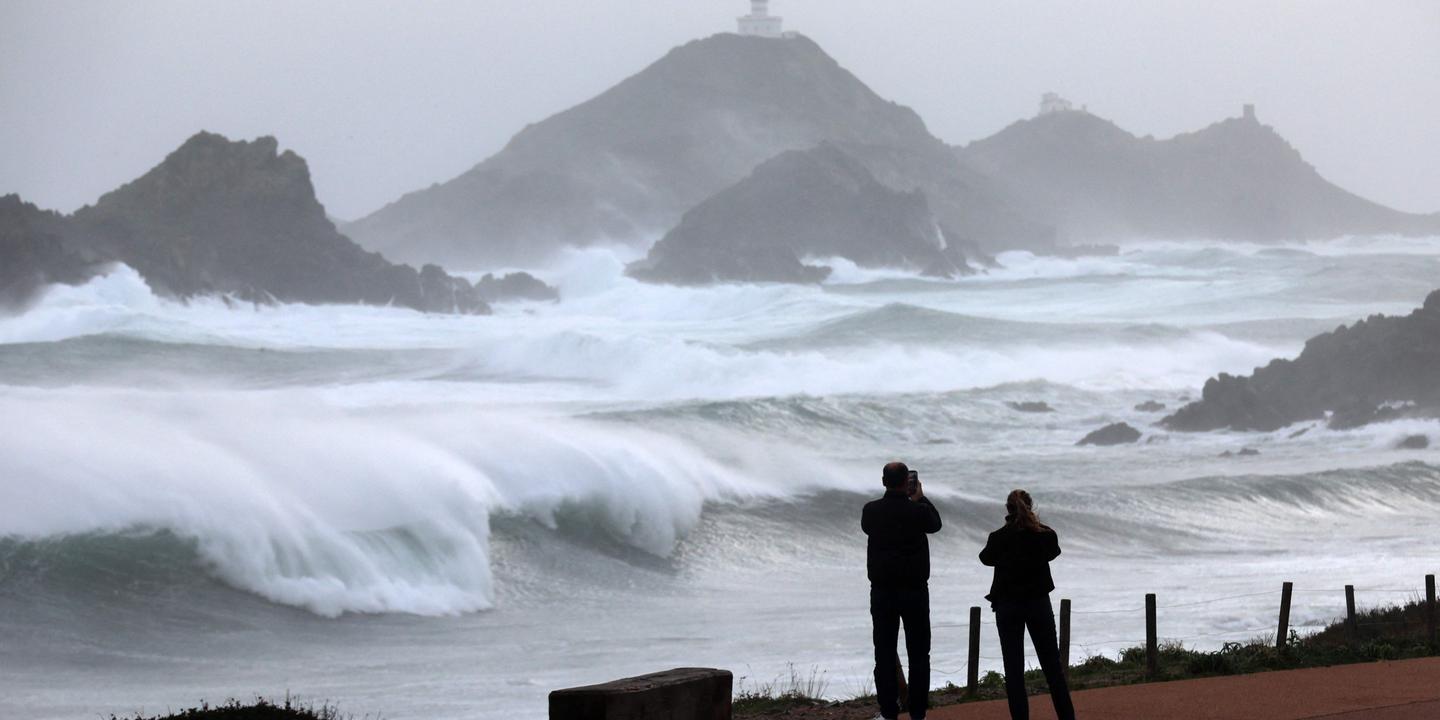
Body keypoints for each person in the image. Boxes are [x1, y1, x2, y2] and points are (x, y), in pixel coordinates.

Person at [979, 490, 1076, 720]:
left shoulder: (998, 537)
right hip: (1038, 604)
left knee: (1014, 672)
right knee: (1053, 669)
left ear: (1007, 509)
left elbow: (985, 558)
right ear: (1030, 507)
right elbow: (1054, 551)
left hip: (1008, 607)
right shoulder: (1044, 535)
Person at [862, 462, 942, 720]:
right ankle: (918, 714)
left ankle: (888, 712)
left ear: (884, 481)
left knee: (884, 654)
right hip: (915, 592)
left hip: (883, 592)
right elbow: (936, 524)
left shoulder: (871, 511)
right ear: (908, 483)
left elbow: (867, 528)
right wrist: (921, 498)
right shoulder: (918, 511)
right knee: (919, 654)